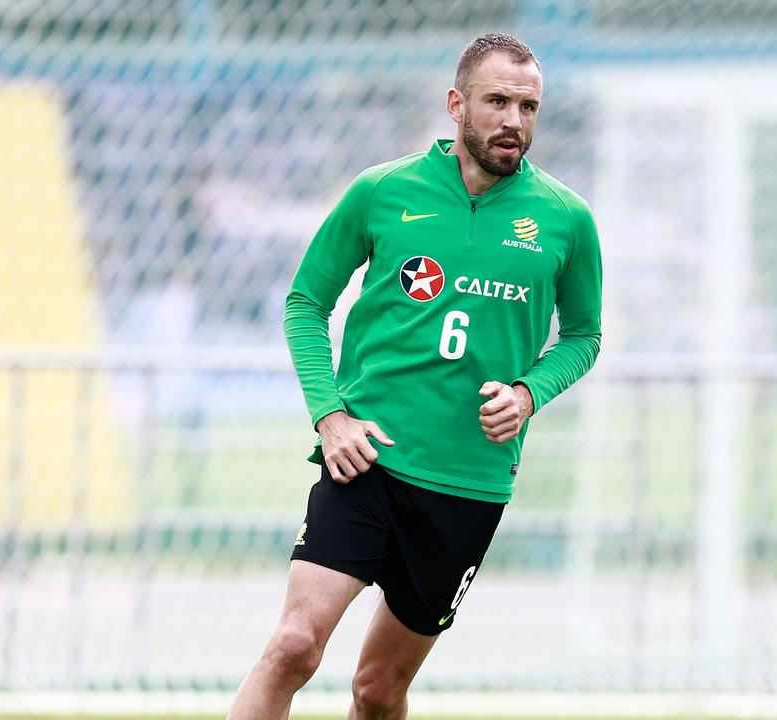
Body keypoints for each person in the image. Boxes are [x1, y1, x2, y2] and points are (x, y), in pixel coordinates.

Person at [227, 33, 602, 720]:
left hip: (469, 485)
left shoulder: (567, 220)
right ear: (457, 104)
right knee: (293, 645)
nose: (513, 120)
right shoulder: (382, 191)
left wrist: (528, 394)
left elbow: (582, 337)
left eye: (528, 106)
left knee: (378, 691)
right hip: (367, 461)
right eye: (497, 101)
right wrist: (330, 415)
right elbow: (306, 302)